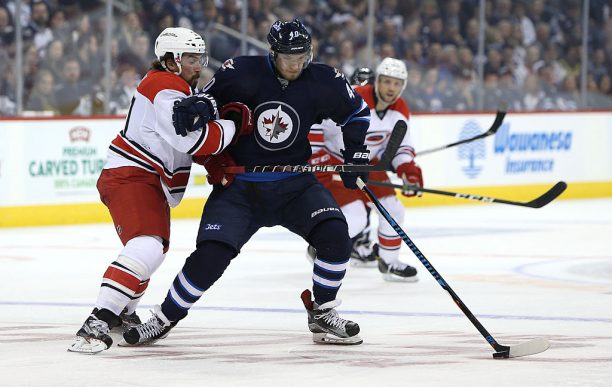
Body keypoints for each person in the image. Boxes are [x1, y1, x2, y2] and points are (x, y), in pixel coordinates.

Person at [122, 19, 370, 346]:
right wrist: (200, 107)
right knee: (210, 256)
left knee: (336, 235)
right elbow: (210, 102)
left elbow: (357, 113)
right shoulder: (241, 70)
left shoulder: (324, 78)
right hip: (241, 188)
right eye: (287, 58)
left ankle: (322, 312)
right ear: (272, 53)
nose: (295, 65)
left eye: (302, 57)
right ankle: (164, 317)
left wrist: (355, 153)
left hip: (295, 185)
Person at [68, 27, 251, 354]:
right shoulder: (164, 85)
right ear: (170, 59)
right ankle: (98, 320)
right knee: (147, 245)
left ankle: (123, 312)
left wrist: (213, 161)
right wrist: (232, 126)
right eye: (191, 58)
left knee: (153, 249)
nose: (199, 65)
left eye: (200, 58)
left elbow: (185, 146)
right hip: (133, 176)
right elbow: (188, 139)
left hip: (144, 179)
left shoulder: (176, 87)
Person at [307, 57, 423, 282]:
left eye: (397, 83)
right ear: (377, 81)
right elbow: (316, 120)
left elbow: (401, 147)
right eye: (387, 82)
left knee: (393, 208)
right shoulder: (353, 97)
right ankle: (322, 248)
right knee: (356, 216)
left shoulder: (400, 110)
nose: (391, 88)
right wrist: (317, 157)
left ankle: (389, 263)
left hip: (365, 165)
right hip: (336, 164)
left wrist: (408, 170)